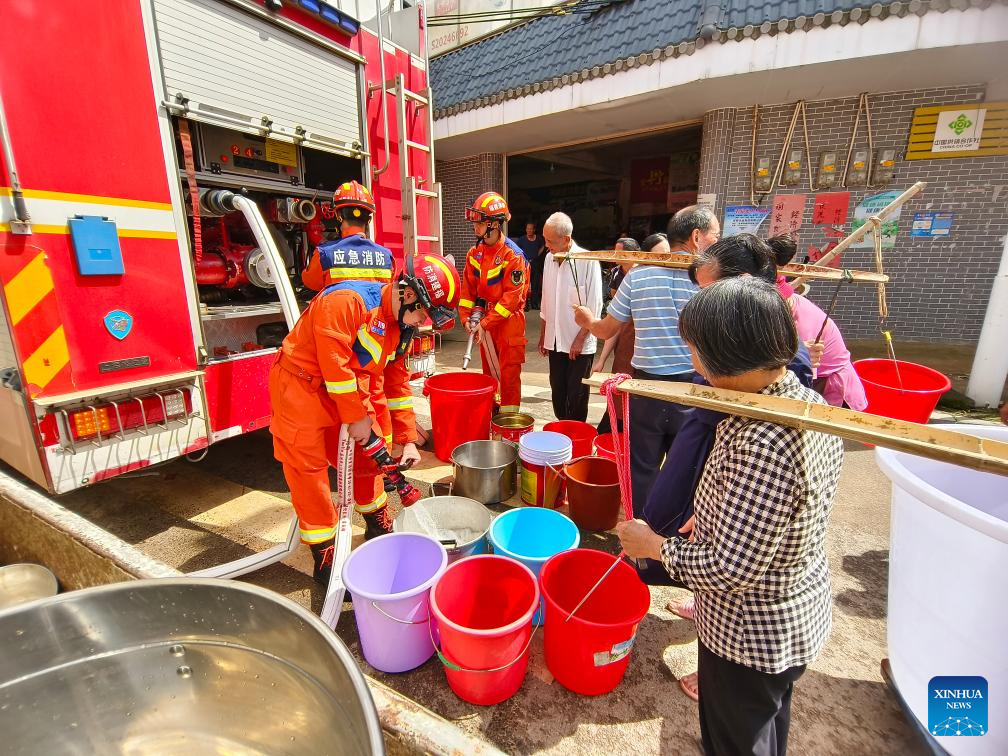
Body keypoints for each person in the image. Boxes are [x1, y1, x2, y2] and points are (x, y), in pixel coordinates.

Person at [617, 277, 844, 756]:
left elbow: (729, 569)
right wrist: (717, 512)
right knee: (766, 722)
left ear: (727, 356)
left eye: (695, 349)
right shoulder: (802, 402)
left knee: (737, 739)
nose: (692, 361)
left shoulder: (765, 445)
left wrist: (652, 546)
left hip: (750, 634)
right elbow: (781, 513)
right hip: (788, 614)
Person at [269, 180, 461, 583]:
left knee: (368, 457)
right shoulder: (345, 302)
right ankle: (325, 555)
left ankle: (376, 517)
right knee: (308, 469)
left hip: (347, 388)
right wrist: (357, 420)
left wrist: (406, 438)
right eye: (425, 314)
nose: (425, 324)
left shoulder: (398, 327)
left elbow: (395, 383)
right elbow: (336, 370)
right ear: (408, 294)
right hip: (302, 387)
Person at [574, 205, 720, 517]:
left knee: (641, 467)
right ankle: (674, 540)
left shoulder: (638, 276)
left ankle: (640, 537)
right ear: (696, 237)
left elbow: (605, 329)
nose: (717, 243)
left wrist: (587, 320)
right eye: (715, 236)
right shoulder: (711, 280)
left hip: (644, 387)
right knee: (689, 471)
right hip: (692, 390)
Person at [691, 234, 867, 410]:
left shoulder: (780, 317)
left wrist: (799, 356)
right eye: (700, 290)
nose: (703, 299)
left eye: (708, 290)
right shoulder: (750, 310)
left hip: (826, 389)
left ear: (744, 283)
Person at [458, 191, 530, 414]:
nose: (475, 227)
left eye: (479, 223)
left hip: (509, 323)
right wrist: (466, 318)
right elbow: (467, 291)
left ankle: (509, 423)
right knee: (489, 372)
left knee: (508, 374)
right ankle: (492, 415)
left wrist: (486, 323)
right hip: (485, 320)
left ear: (494, 224)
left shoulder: (512, 255)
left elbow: (511, 299)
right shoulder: (474, 253)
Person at [539, 212, 603, 422]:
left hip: (579, 343)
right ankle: (562, 431)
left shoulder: (587, 260)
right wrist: (543, 335)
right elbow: (546, 301)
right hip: (555, 340)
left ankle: (576, 436)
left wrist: (580, 337)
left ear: (566, 239)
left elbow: (594, 305)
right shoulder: (549, 258)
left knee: (577, 394)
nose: (546, 245)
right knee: (557, 389)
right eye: (545, 239)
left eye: (550, 241)